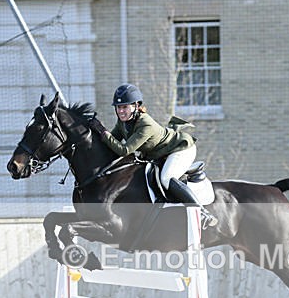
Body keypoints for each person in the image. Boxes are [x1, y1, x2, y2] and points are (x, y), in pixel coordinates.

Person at [87, 83, 218, 228]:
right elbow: (113, 142)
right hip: (161, 153)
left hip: (180, 149)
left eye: (125, 107)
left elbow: (124, 150)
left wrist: (103, 132)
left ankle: (202, 213)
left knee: (166, 178)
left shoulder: (145, 123)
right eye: (118, 108)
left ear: (136, 106)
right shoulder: (123, 123)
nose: (121, 111)